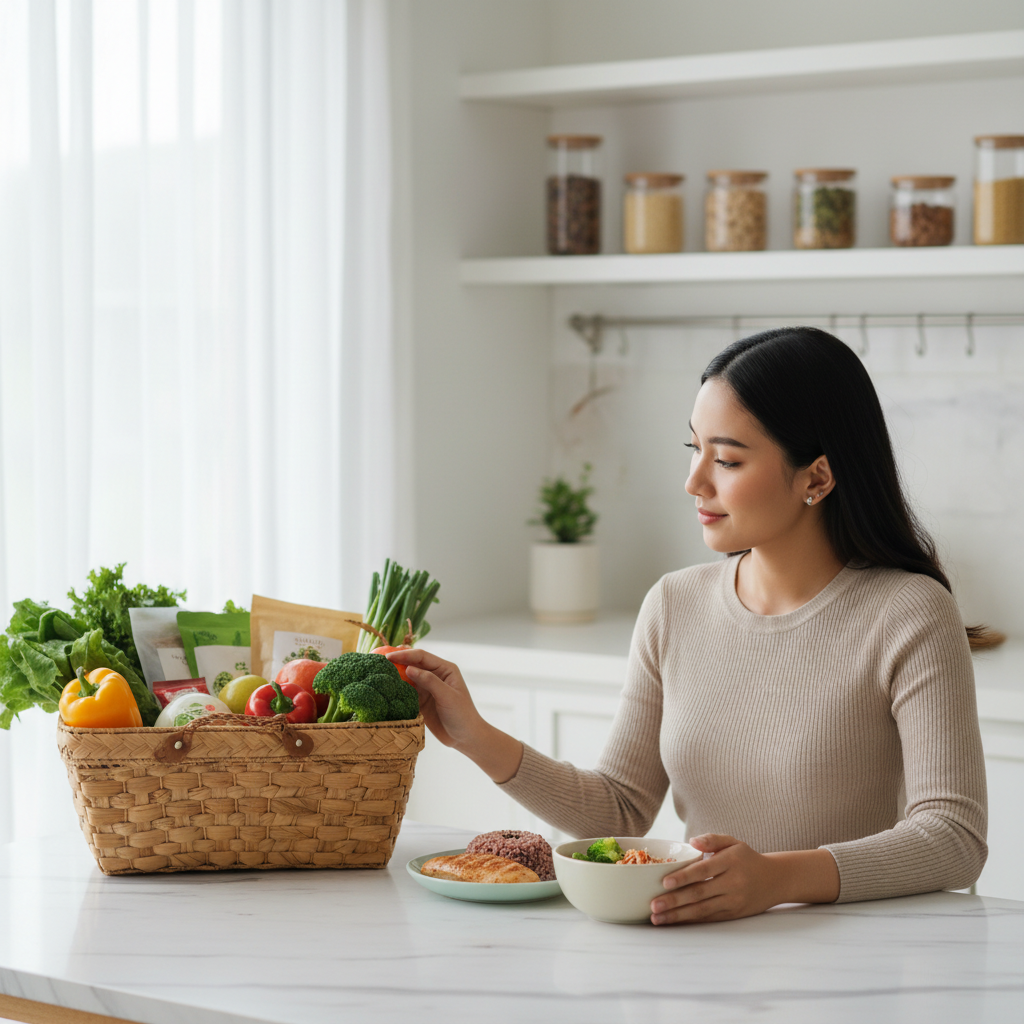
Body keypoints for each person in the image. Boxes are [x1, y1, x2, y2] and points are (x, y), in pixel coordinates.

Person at [389, 327, 995, 925]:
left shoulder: (909, 612)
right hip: (703, 952)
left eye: (727, 459)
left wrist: (776, 879)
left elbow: (953, 838)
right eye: (694, 449)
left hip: (858, 962)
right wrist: (474, 736)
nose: (694, 482)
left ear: (817, 477)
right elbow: (621, 809)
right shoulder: (674, 604)